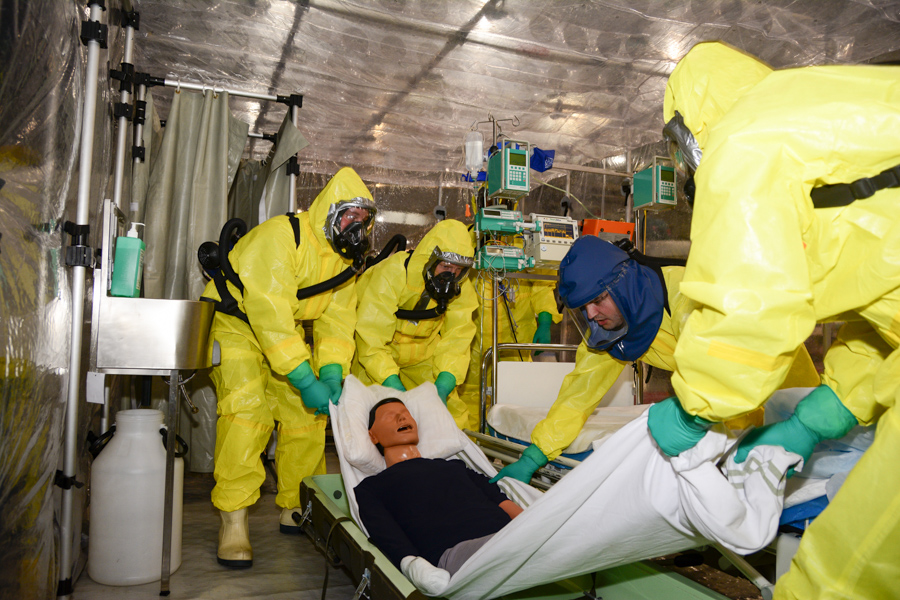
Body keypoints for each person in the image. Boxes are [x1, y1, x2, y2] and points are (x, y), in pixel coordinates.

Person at [649, 41, 900, 599]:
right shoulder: (806, 118)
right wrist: (824, 414)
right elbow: (885, 307)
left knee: (843, 572)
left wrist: (695, 408)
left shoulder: (744, 141)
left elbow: (748, 303)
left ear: (690, 128)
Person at [491, 234, 821, 484]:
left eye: (598, 299)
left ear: (623, 285)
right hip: (732, 400)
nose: (591, 314)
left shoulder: (690, 297)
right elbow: (578, 396)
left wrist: (716, 431)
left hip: (786, 388)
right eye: (583, 308)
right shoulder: (615, 327)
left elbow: (725, 372)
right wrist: (534, 456)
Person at [200, 167, 376, 567]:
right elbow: (269, 312)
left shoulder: (345, 262)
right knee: (248, 413)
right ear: (330, 212)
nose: (357, 227)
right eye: (350, 216)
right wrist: (303, 376)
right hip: (237, 323)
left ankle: (296, 505)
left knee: (304, 417)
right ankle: (234, 520)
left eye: (364, 220)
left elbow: (337, 321)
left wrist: (331, 372)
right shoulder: (282, 236)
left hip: (283, 331)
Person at [355, 398, 523, 589]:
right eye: (389, 416)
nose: (402, 417)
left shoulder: (455, 466)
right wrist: (412, 565)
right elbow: (385, 532)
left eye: (406, 413)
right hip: (457, 552)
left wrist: (534, 523)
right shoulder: (373, 487)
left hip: (511, 535)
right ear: (373, 436)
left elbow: (499, 499)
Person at [352, 219, 477, 429]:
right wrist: (393, 385)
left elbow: (458, 336)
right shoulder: (393, 272)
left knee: (451, 418)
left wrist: (443, 384)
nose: (451, 275)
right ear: (430, 259)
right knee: (372, 419)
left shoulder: (461, 287)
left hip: (422, 354)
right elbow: (371, 338)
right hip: (378, 357)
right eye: (446, 266)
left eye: (459, 269)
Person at [457, 227, 562, 431]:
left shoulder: (526, 241)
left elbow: (542, 285)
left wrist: (545, 321)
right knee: (470, 404)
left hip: (515, 346)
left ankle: (508, 447)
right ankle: (474, 448)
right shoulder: (468, 240)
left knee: (514, 407)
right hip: (473, 346)